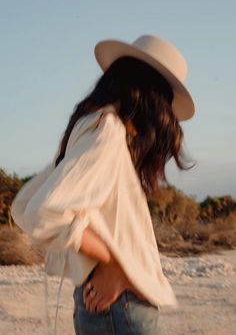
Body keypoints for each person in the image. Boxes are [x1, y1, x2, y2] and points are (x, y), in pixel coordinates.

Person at [11, 34, 195, 335]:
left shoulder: (89, 125)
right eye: (167, 101)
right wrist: (114, 262)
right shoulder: (106, 130)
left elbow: (23, 204)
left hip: (109, 304)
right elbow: (41, 212)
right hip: (121, 305)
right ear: (151, 93)